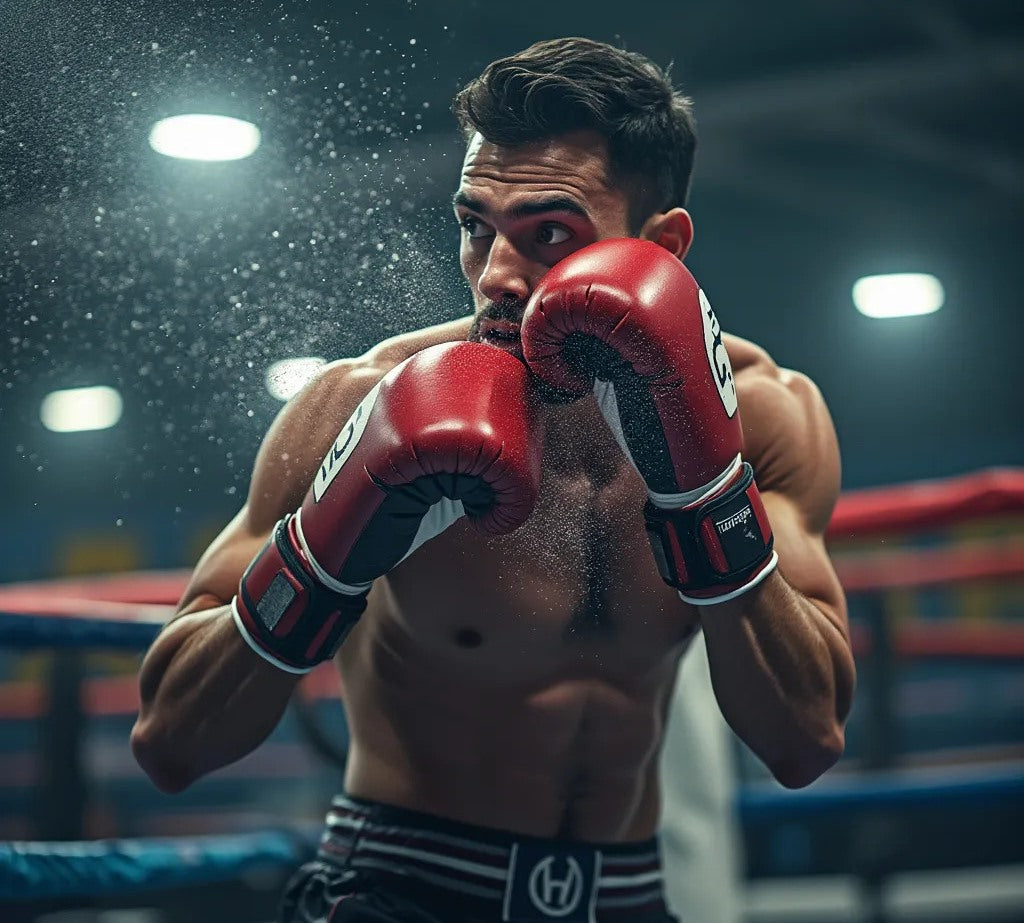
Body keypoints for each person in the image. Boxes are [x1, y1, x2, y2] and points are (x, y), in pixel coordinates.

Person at [131, 37, 855, 923]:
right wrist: (319, 561)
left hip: (626, 899)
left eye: (550, 235)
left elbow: (806, 738)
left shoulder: (763, 417)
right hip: (400, 893)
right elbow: (172, 742)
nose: (498, 276)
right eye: (477, 227)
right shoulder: (365, 402)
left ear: (661, 245)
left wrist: (704, 497)